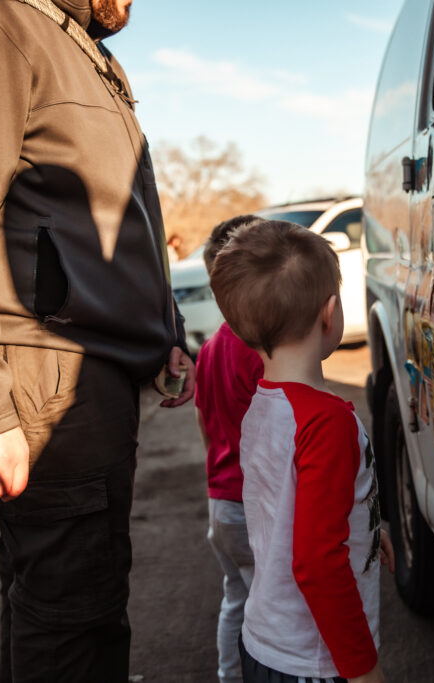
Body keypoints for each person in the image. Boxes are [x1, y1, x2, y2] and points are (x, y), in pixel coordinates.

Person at [0, 0, 195, 680]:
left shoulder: (85, 53)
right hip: (47, 383)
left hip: (94, 378)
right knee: (73, 622)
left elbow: (118, 224)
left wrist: (164, 334)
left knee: (71, 606)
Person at [209, 220, 395, 683]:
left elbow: (292, 510)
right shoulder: (326, 422)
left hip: (264, 643)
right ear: (330, 314)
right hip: (313, 661)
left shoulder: (263, 405)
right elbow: (316, 561)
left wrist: (367, 533)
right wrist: (363, 670)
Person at [194, 215, 265, 683]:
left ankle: (228, 674)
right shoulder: (257, 351)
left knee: (236, 597)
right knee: (270, 605)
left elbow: (205, 426)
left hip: (221, 502)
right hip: (254, 504)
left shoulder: (210, 350)